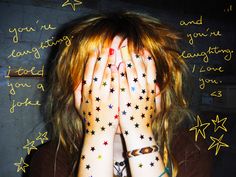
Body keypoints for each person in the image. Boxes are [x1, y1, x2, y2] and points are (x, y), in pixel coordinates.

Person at [28, 11, 213, 177]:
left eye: (132, 73)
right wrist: (98, 135)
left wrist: (138, 132)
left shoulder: (190, 150)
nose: (117, 87)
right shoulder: (48, 161)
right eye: (101, 74)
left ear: (161, 86)